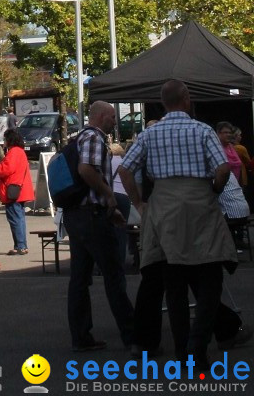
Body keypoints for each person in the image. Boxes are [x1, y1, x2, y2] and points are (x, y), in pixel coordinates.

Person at [119, 80, 239, 372]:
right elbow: (223, 168)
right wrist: (212, 189)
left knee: (174, 285)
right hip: (200, 206)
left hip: (163, 207)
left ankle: (182, 353)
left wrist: (139, 204)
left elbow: (124, 169)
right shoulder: (202, 130)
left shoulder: (150, 134)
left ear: (163, 103)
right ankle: (198, 348)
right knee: (209, 278)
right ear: (186, 99)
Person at [62, 100, 134, 352]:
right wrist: (108, 195)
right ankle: (132, 336)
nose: (115, 121)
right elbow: (86, 170)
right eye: (112, 116)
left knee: (79, 278)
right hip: (91, 216)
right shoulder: (94, 138)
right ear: (101, 116)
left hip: (76, 214)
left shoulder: (78, 137)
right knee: (114, 274)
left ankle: (81, 337)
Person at [0, 127, 33, 254]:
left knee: (15, 219)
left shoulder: (13, 152)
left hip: (13, 191)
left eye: (5, 139)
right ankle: (21, 245)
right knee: (19, 218)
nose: (4, 141)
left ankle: (20, 245)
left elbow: (6, 169)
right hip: (19, 190)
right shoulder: (20, 151)